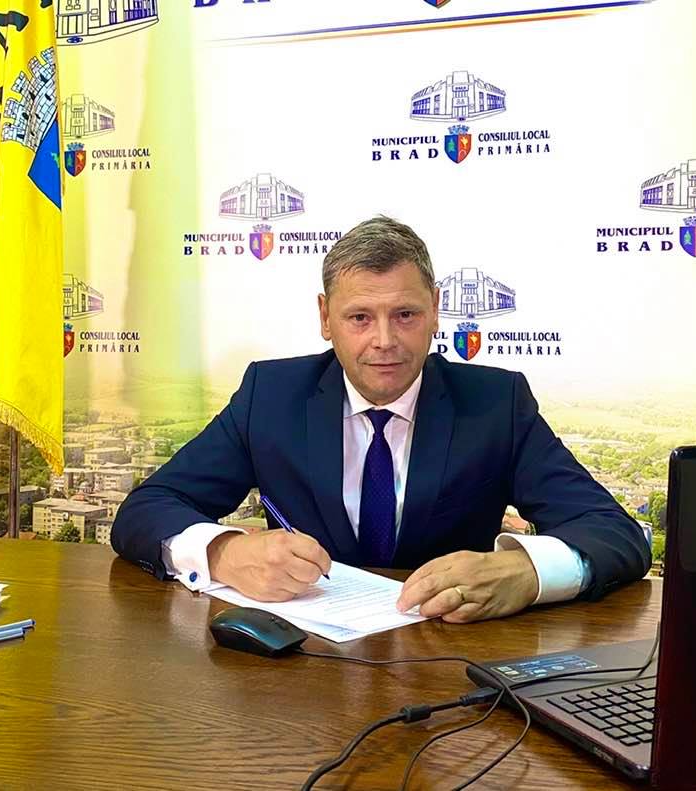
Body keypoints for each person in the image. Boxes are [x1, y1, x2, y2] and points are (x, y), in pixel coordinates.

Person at [111, 217, 650, 622]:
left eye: (406, 315)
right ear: (326, 317)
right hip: (302, 674)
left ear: (435, 309)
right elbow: (145, 510)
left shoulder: (496, 404)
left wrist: (526, 571)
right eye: (360, 317)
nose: (385, 340)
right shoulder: (270, 396)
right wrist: (225, 553)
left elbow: (616, 534)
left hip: (448, 668)